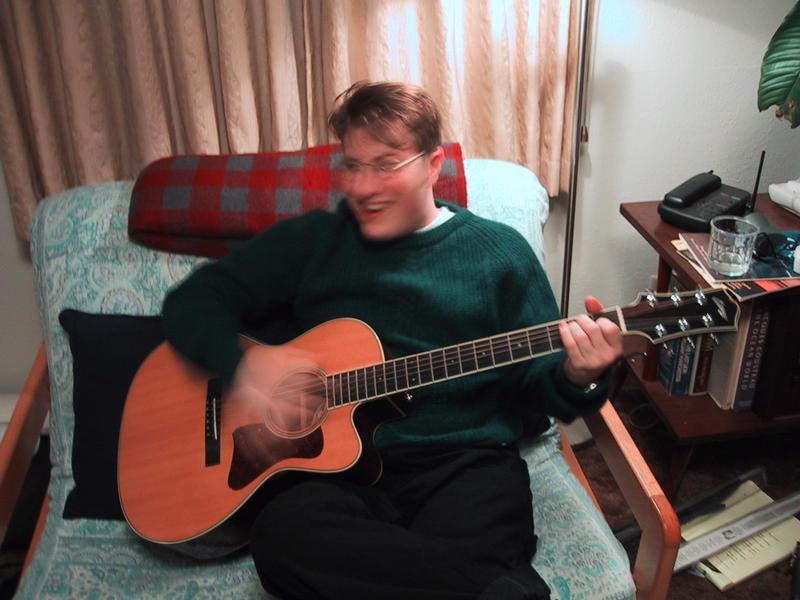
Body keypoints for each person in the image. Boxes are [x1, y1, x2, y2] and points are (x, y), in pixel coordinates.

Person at [162, 80, 623, 600]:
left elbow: (539, 392)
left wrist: (579, 375)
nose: (363, 187)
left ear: (433, 164)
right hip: (335, 476)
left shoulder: (499, 255)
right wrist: (244, 369)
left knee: (488, 536)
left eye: (386, 164)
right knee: (282, 536)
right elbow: (193, 303)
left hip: (462, 464)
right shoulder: (314, 242)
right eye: (352, 166)